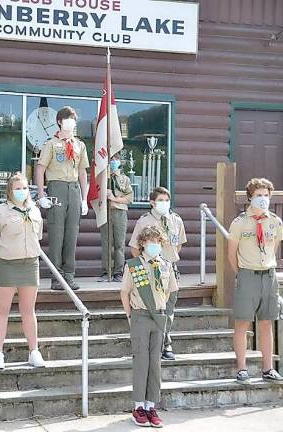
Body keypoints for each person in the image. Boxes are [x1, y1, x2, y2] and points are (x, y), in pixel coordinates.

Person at [0, 173, 46, 370]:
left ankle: (34, 351)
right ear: (10, 191)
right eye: (17, 188)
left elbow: (38, 235)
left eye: (25, 188)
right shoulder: (0, 212)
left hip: (30, 264)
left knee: (28, 310)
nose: (22, 192)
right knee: (2, 311)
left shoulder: (34, 210)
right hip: (7, 265)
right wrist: (2, 257)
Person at [228, 177, 283, 385]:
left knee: (266, 322)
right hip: (248, 274)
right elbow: (231, 254)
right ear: (250, 197)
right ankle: (242, 369)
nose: (262, 199)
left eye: (265, 195)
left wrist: (266, 266)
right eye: (258, 195)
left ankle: (268, 368)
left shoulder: (275, 221)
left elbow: (274, 247)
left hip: (269, 275)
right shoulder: (239, 222)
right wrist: (242, 274)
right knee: (243, 322)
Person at [120, 225, 177, 428]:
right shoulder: (134, 265)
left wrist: (163, 313)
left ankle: (151, 405)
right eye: (151, 242)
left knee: (155, 363)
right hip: (140, 315)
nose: (155, 246)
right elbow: (124, 292)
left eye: (158, 242)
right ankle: (138, 407)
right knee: (141, 362)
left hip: (158, 318)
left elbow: (170, 292)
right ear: (143, 244)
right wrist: (130, 316)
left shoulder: (166, 265)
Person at [35, 106, 90, 291]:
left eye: (73, 119)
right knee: (57, 234)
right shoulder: (51, 144)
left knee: (71, 234)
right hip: (56, 187)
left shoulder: (79, 145)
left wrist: (84, 198)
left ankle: (69, 275)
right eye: (67, 119)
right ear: (59, 121)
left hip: (73, 188)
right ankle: (56, 277)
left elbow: (82, 172)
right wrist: (41, 194)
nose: (71, 122)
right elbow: (40, 168)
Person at [128, 187, 186, 360]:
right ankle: (152, 344)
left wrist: (169, 261)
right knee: (151, 308)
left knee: (168, 309)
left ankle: (165, 343)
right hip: (151, 271)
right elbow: (134, 249)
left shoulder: (176, 220)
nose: (164, 203)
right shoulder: (145, 221)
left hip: (169, 270)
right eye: (160, 200)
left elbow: (179, 245)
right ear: (152, 202)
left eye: (166, 200)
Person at [98, 152, 134, 282]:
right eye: (111, 159)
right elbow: (95, 194)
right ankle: (106, 272)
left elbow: (129, 198)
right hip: (106, 212)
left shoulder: (124, 179)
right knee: (106, 243)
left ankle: (118, 272)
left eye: (115, 159)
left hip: (119, 212)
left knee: (119, 244)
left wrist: (115, 199)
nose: (113, 161)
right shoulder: (102, 178)